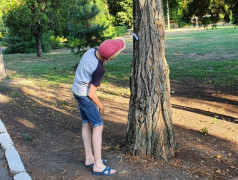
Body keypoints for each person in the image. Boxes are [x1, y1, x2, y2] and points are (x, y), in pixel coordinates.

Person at [72, 39, 126, 176]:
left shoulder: (91, 51)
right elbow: (91, 93)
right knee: (98, 125)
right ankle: (98, 165)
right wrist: (101, 106)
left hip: (76, 90)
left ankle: (90, 158)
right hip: (84, 95)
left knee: (86, 123)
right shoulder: (99, 69)